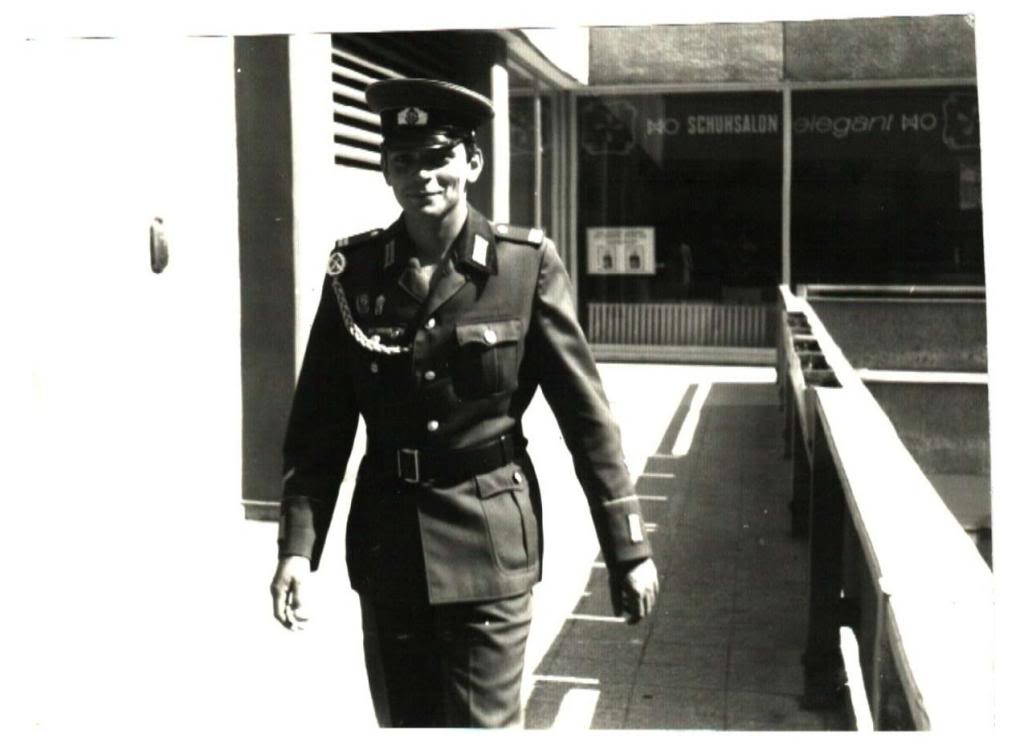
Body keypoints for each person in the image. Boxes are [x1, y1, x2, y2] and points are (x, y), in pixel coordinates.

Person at [270, 78, 659, 728]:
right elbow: (320, 428)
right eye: (404, 161)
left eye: (438, 157)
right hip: (389, 547)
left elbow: (587, 418)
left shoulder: (524, 266)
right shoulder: (355, 274)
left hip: (490, 545)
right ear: (386, 171)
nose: (422, 175)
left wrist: (628, 547)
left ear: (472, 163)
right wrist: (295, 548)